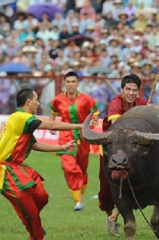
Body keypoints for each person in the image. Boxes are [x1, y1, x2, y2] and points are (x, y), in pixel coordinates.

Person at [0, 88, 89, 240]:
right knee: (33, 218)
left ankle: (29, 219)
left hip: (17, 168)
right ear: (28, 102)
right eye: (36, 99)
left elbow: (35, 145)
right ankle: (33, 227)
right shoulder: (20, 117)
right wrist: (80, 126)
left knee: (42, 197)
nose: (38, 103)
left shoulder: (21, 120)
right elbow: (52, 126)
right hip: (7, 172)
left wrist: (62, 147)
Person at [99, 74, 147, 236]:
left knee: (132, 185)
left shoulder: (142, 103)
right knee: (107, 189)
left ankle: (114, 217)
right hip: (111, 150)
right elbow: (117, 127)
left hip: (133, 152)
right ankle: (110, 216)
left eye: (135, 90)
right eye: (128, 89)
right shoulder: (116, 103)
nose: (131, 93)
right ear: (122, 90)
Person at [48, 71, 99, 211]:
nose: (70, 84)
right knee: (69, 167)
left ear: (77, 83)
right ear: (65, 83)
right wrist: (52, 125)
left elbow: (94, 113)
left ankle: (80, 196)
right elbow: (53, 111)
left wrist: (93, 122)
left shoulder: (86, 99)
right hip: (65, 137)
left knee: (82, 170)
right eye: (68, 82)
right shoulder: (58, 99)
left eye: (73, 82)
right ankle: (78, 200)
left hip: (83, 138)